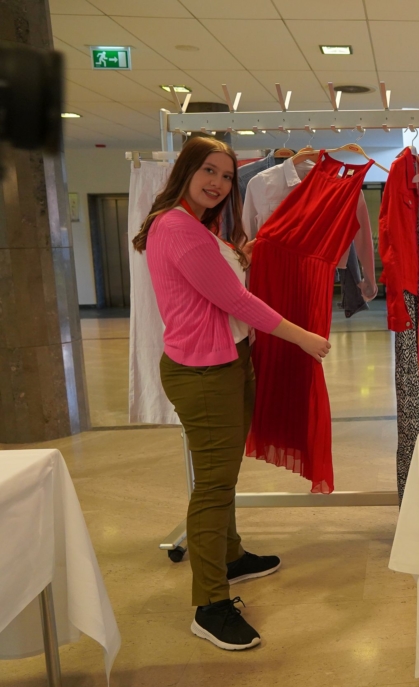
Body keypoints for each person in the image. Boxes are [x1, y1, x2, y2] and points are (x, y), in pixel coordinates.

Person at [132, 136, 331, 651]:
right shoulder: (180, 228)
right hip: (204, 371)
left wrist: (239, 256)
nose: (218, 183)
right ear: (186, 171)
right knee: (214, 486)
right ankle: (210, 605)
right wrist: (302, 337)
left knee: (222, 475)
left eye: (225, 175)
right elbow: (236, 301)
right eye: (209, 171)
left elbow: (215, 285)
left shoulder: (193, 225)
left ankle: (232, 556)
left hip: (224, 361)